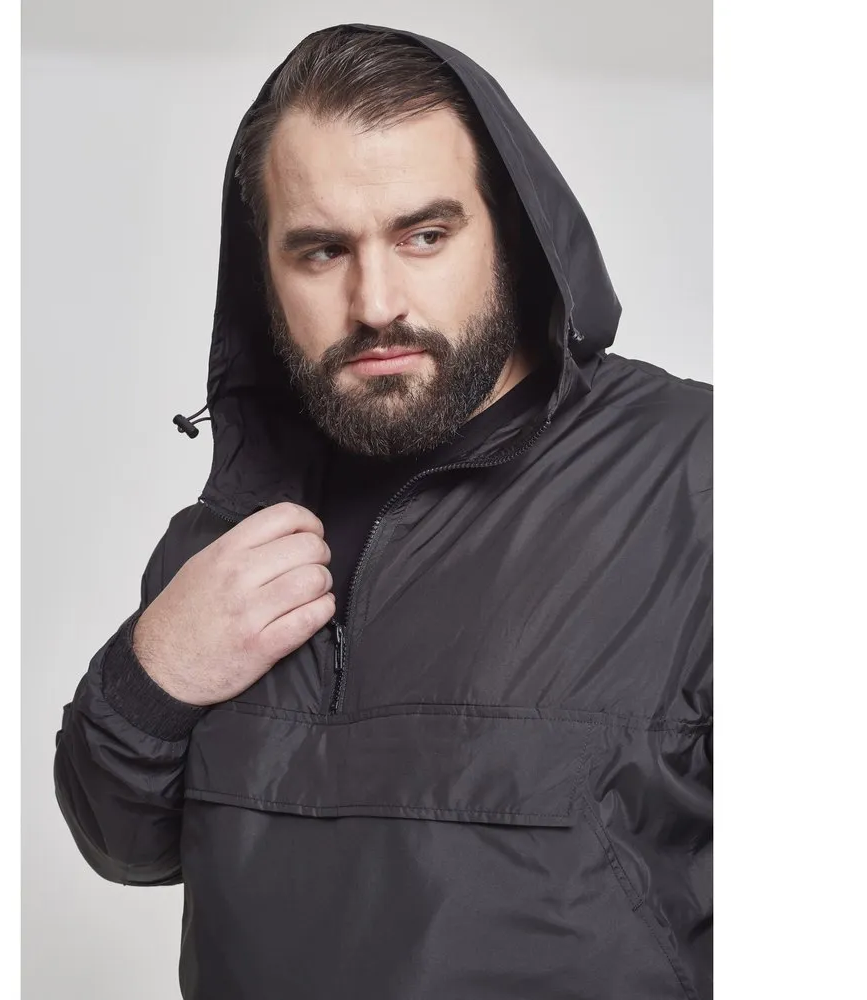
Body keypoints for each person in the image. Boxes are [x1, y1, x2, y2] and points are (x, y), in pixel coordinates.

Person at [54, 22, 712, 1000]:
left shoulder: (702, 474)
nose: (375, 302)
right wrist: (154, 674)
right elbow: (125, 842)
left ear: (513, 233)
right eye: (322, 250)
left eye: (424, 236)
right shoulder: (235, 524)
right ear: (264, 276)